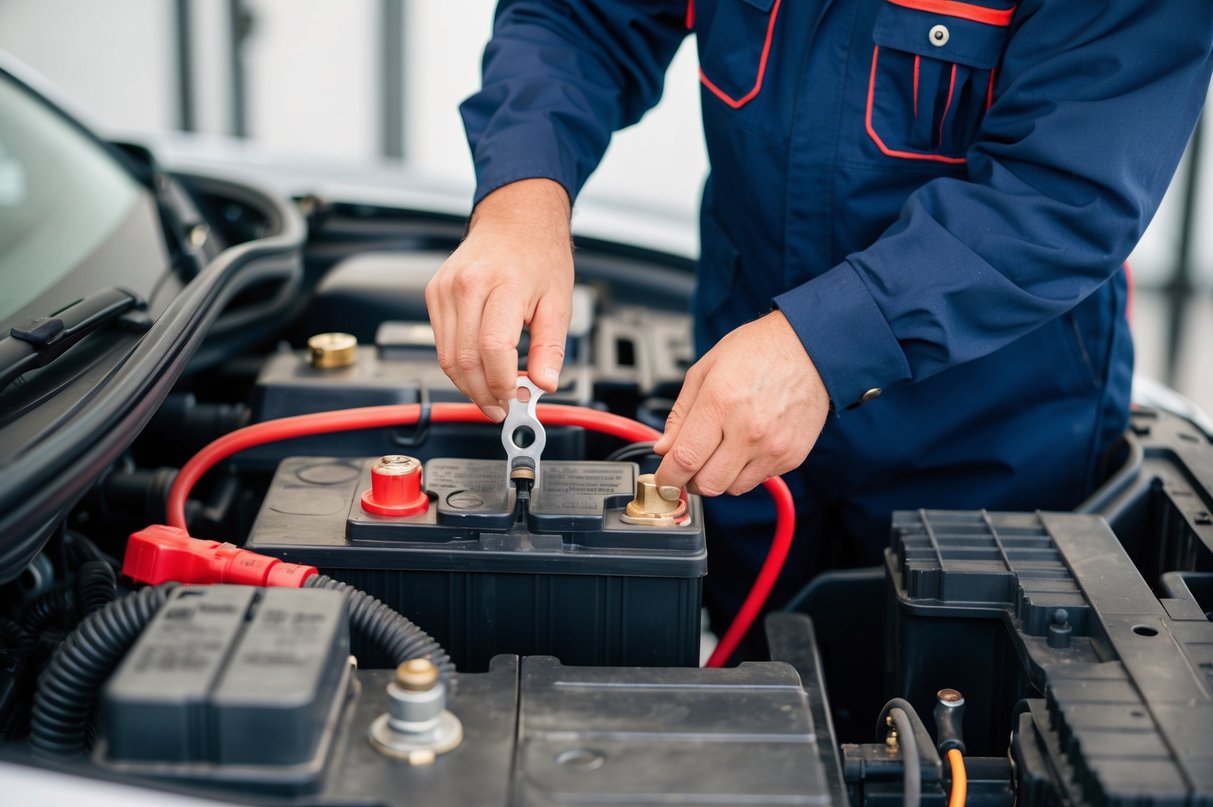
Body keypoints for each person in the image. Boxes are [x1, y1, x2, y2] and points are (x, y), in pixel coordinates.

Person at [425, 1, 1213, 645]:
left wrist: (823, 344)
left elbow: (1061, 193)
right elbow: (578, 17)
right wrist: (520, 197)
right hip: (737, 396)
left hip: (989, 445)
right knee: (742, 674)